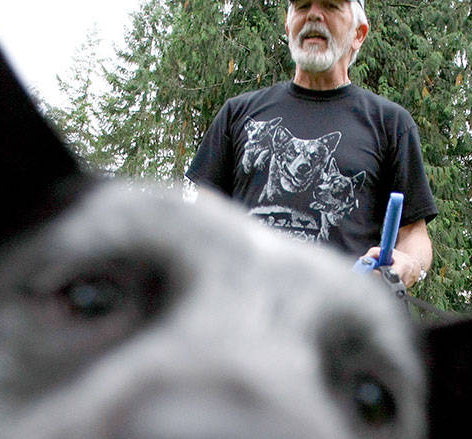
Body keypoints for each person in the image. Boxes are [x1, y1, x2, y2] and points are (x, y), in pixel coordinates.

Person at [186, 0, 437, 289]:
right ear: (288, 23)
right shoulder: (239, 115)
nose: (314, 15)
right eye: (302, 6)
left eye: (330, 6)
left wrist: (410, 265)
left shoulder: (391, 123)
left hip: (340, 322)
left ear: (359, 34)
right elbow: (201, 222)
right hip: (248, 319)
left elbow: (414, 234)